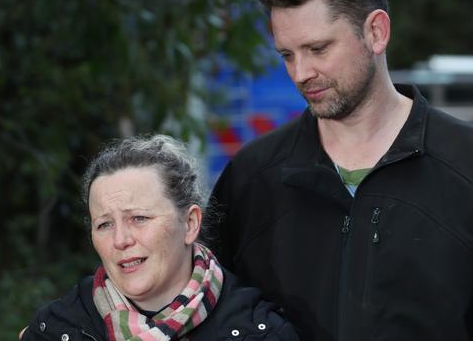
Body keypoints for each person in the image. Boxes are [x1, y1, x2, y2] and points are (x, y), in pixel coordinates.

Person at [207, 0, 473, 340]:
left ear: (376, 32)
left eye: (318, 49)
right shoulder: (251, 177)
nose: (300, 73)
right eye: (287, 55)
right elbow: (209, 315)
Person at [20, 135, 299, 340]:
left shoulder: (261, 333)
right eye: (104, 224)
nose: (120, 240)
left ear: (190, 224)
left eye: (139, 218)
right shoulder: (56, 329)